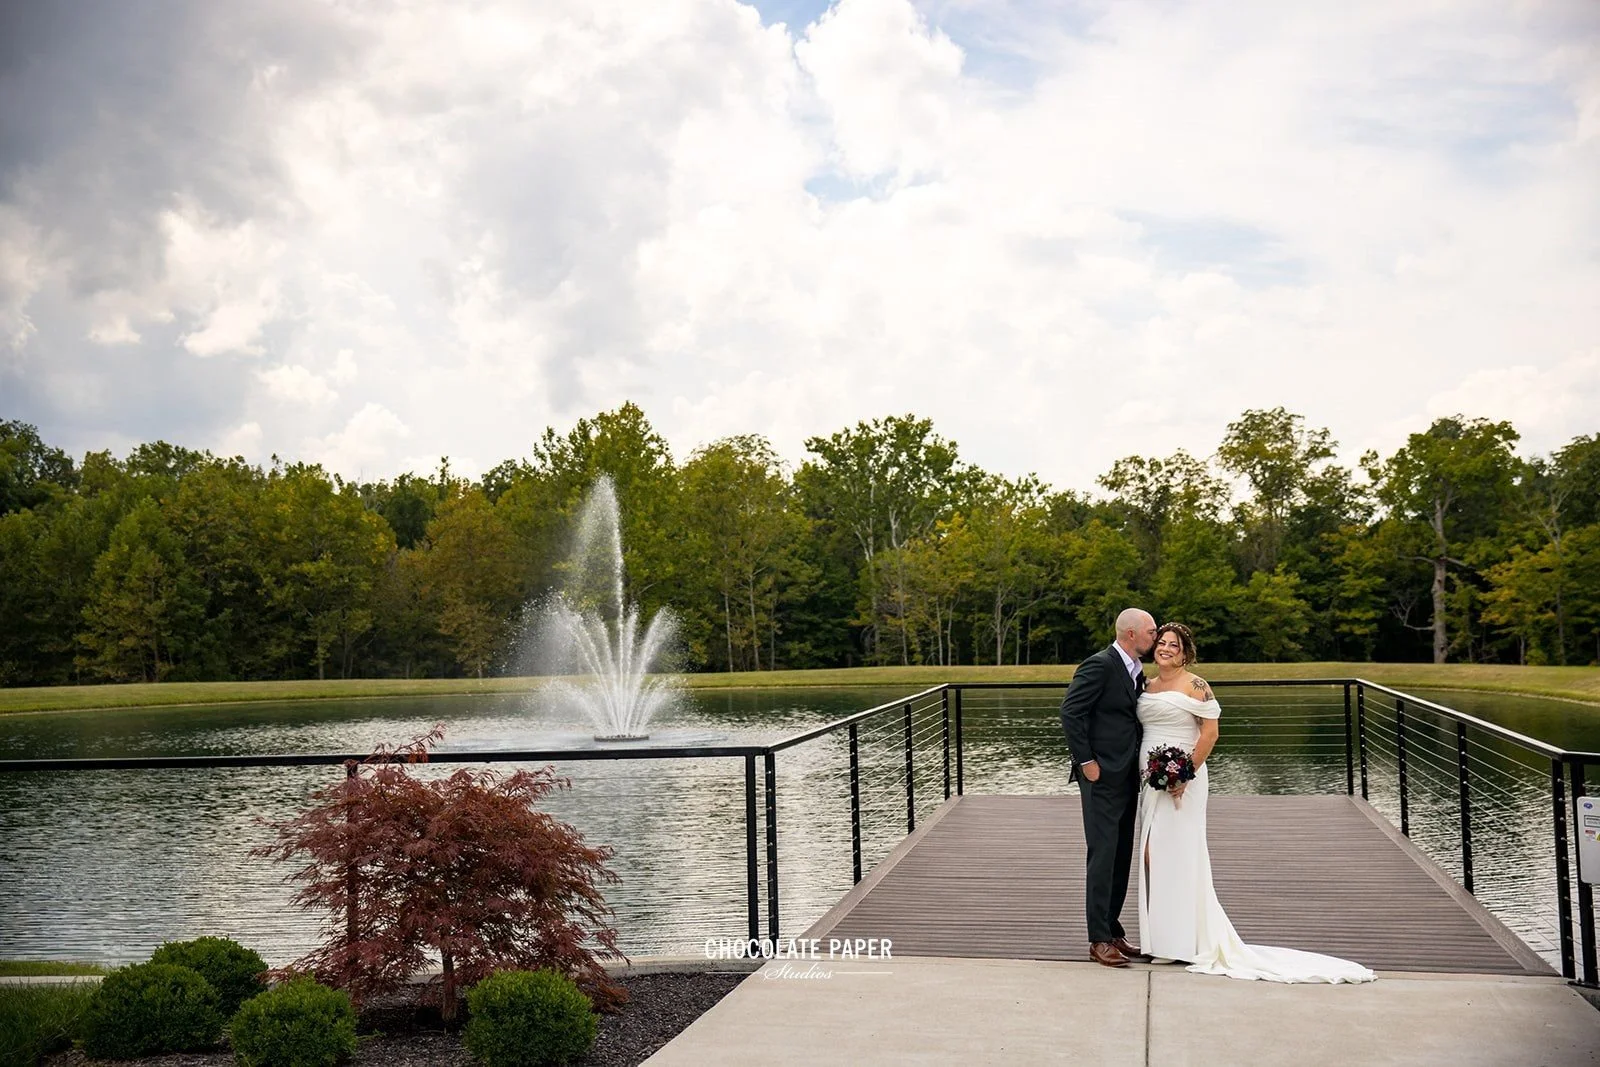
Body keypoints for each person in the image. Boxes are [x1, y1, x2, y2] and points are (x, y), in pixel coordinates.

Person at [1138, 621, 1375, 983]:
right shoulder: (1148, 684)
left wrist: (1183, 774)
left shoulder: (1196, 685)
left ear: (1185, 653)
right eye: (1162, 643)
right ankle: (1167, 939)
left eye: (1174, 645)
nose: (1166, 649)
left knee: (1181, 854)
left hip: (1183, 781)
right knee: (1153, 856)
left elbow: (1211, 732)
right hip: (1152, 783)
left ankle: (1184, 943)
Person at [1060, 607, 1158, 968]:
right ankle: (1098, 939)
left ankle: (1113, 930)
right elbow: (1071, 711)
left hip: (1127, 776)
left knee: (1119, 856)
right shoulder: (1099, 664)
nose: (1156, 635)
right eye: (1151, 631)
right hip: (1101, 777)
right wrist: (1086, 762)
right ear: (1130, 634)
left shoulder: (1134, 670)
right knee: (1102, 855)